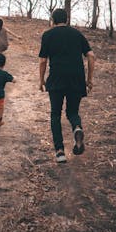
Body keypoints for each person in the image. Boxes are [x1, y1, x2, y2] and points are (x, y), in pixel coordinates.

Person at [38, 8, 95, 163]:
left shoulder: (48, 35)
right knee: (72, 112)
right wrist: (89, 80)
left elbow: (43, 60)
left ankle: (60, 152)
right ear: (67, 20)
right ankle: (77, 128)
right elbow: (91, 56)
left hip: (56, 79)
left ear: (53, 20)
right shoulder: (77, 34)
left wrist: (41, 80)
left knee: (55, 114)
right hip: (76, 79)